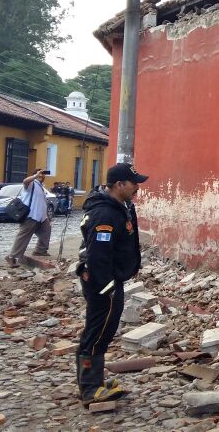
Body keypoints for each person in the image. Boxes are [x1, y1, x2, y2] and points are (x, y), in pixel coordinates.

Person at [75, 162, 148, 405]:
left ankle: (94, 381)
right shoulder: (104, 214)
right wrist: (107, 287)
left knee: (102, 333)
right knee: (97, 334)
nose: (137, 187)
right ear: (119, 185)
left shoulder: (120, 205)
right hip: (102, 283)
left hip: (110, 279)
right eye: (133, 183)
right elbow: (98, 254)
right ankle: (90, 389)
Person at [5, 168, 52, 267]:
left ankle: (40, 250)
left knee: (46, 231)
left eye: (43, 174)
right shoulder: (31, 184)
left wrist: (46, 215)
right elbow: (25, 181)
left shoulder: (41, 187)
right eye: (39, 174)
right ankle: (12, 257)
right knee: (23, 237)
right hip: (31, 216)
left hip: (41, 217)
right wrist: (35, 176)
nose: (41, 176)